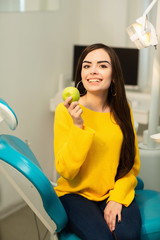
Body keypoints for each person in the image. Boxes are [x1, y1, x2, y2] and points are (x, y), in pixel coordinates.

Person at [54, 43, 142, 240]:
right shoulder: (66, 111)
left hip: (112, 189)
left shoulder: (123, 109)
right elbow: (66, 171)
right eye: (87, 66)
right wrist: (78, 126)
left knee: (128, 235)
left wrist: (117, 198)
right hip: (75, 193)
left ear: (114, 75)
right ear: (81, 74)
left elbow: (131, 165)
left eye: (102, 66)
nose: (93, 71)